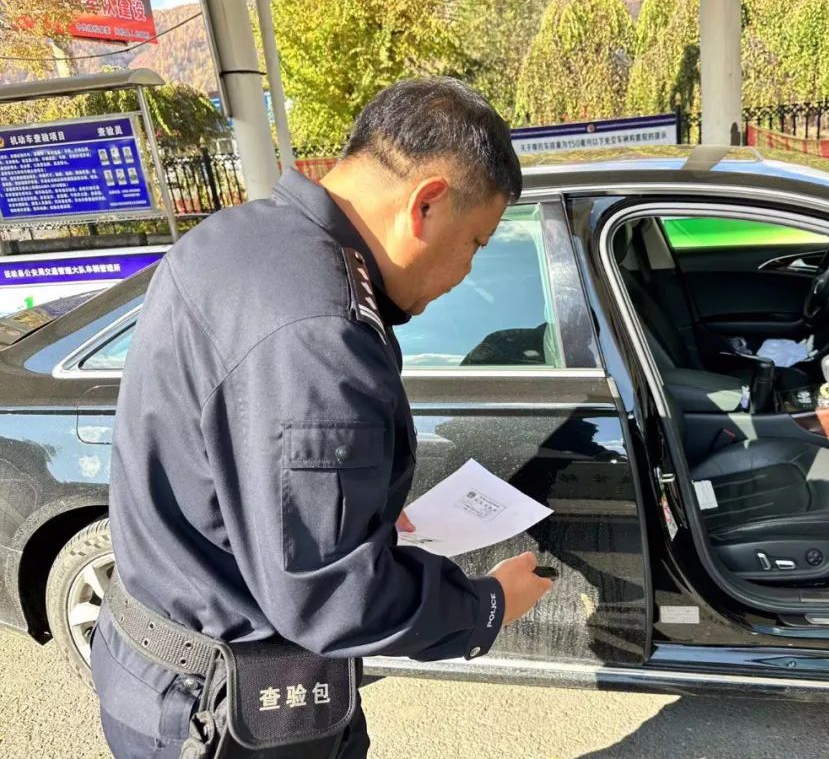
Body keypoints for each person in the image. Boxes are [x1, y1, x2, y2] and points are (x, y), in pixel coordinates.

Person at [91, 77, 553, 758]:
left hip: (156, 667)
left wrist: (348, 511)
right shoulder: (322, 333)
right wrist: (486, 606)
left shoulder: (235, 237)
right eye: (476, 242)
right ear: (426, 203)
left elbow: (242, 472)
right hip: (231, 715)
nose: (466, 269)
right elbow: (331, 598)